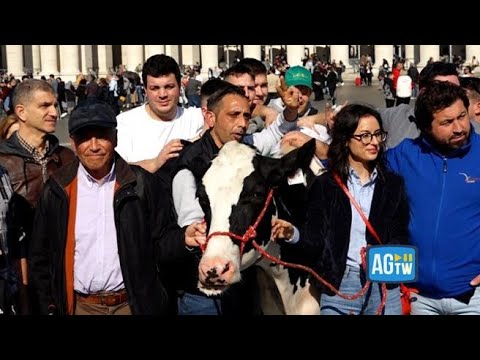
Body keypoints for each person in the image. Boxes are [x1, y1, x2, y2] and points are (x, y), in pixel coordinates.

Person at [28, 101, 204, 315]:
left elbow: (160, 242)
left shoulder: (142, 184)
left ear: (115, 138)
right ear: (73, 143)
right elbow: (41, 256)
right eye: (84, 138)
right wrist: (50, 306)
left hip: (131, 305)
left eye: (102, 135)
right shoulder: (57, 189)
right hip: (81, 307)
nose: (94, 146)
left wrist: (183, 239)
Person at [171, 81, 301, 315]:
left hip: (243, 285)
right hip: (203, 293)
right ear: (210, 118)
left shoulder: (242, 151)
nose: (242, 123)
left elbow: (272, 135)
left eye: (246, 116)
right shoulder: (190, 167)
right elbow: (192, 227)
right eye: (233, 115)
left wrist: (290, 111)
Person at [272, 104, 410, 315]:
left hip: (384, 284)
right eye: (364, 136)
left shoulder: (393, 184)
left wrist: (382, 254)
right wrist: (292, 233)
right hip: (341, 284)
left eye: (377, 134)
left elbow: (400, 233)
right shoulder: (326, 185)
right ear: (346, 140)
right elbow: (315, 239)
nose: (374, 142)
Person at [387, 81, 480, 315]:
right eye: (447, 122)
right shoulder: (405, 154)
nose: (459, 128)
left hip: (473, 296)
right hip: (418, 297)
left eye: (462, 116)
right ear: (426, 127)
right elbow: (356, 167)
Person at [0, 79, 75, 314]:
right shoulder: (2, 162)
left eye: (55, 105)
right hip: (18, 277)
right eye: (45, 106)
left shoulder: (67, 157)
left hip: (65, 272)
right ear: (21, 112)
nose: (55, 112)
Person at [115, 54, 205, 173]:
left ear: (180, 88)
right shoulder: (124, 123)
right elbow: (117, 172)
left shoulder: (197, 118)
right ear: (145, 90)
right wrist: (156, 162)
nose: (162, 95)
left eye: (169, 87)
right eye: (155, 88)